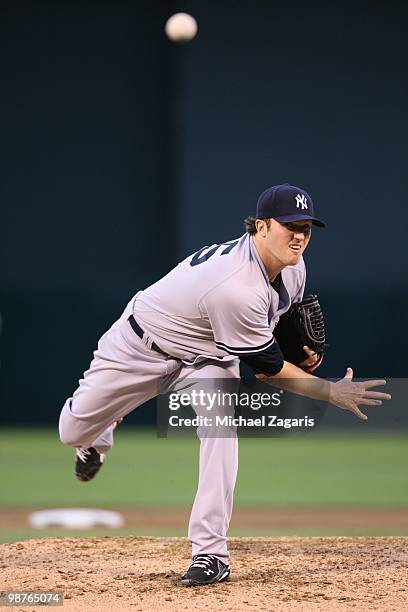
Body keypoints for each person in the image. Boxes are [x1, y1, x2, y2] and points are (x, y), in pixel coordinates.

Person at [59, 183, 390, 586]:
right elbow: (268, 370)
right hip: (140, 347)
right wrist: (328, 390)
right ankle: (96, 437)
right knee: (71, 431)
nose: (300, 235)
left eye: (306, 226)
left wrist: (297, 347)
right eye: (290, 226)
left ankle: (210, 554)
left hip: (208, 358)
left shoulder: (293, 265)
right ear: (261, 228)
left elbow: (281, 321)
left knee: (221, 429)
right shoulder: (235, 285)